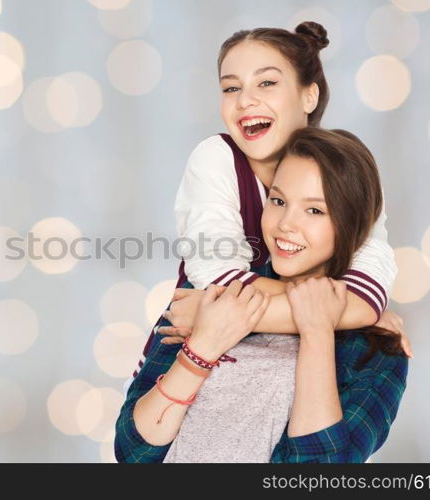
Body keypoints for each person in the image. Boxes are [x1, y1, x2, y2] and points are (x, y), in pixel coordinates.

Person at [127, 22, 411, 391]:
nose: (245, 100)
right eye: (231, 87)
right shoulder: (216, 159)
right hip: (189, 372)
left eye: (266, 83)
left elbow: (369, 285)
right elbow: (221, 283)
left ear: (309, 96)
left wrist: (357, 310)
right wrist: (346, 314)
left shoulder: (347, 170)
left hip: (290, 379)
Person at [115, 127, 409, 463]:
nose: (285, 224)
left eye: (314, 210)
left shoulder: (376, 348)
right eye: (279, 200)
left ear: (353, 224)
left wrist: (317, 330)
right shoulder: (212, 295)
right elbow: (132, 451)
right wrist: (203, 348)